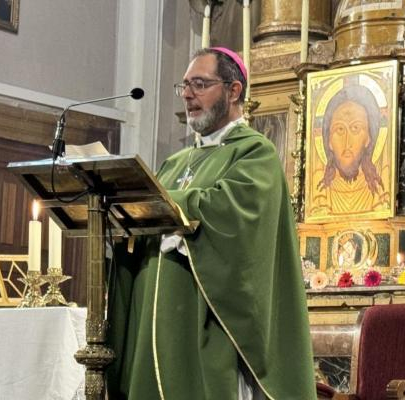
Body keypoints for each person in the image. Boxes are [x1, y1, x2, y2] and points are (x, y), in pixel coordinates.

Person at [106, 47, 317, 400]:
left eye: (200, 84)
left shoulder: (254, 152)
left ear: (234, 91)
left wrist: (163, 205)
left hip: (205, 325)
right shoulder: (174, 163)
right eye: (185, 86)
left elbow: (236, 217)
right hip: (154, 321)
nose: (188, 95)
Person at [312, 85, 389, 215]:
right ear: (329, 141)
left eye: (355, 128)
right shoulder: (321, 197)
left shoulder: (380, 195)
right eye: (340, 129)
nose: (347, 142)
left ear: (368, 138)